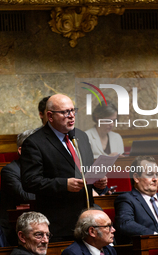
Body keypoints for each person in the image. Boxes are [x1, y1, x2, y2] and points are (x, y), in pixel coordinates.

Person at [20, 94, 106, 241]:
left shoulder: (81, 136)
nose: (71, 116)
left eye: (73, 110)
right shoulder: (35, 143)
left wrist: (98, 182)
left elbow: (88, 171)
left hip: (87, 219)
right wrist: (64, 184)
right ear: (50, 116)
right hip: (60, 223)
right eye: (65, 112)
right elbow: (30, 182)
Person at [114, 156, 158, 244]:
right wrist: (155, 237)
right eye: (149, 174)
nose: (155, 179)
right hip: (152, 246)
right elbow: (125, 224)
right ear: (136, 177)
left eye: (156, 174)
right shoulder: (127, 199)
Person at [0, 129, 36, 246]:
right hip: (14, 228)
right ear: (21, 150)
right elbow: (26, 196)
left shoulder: (44, 169)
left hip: (38, 223)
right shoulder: (10, 171)